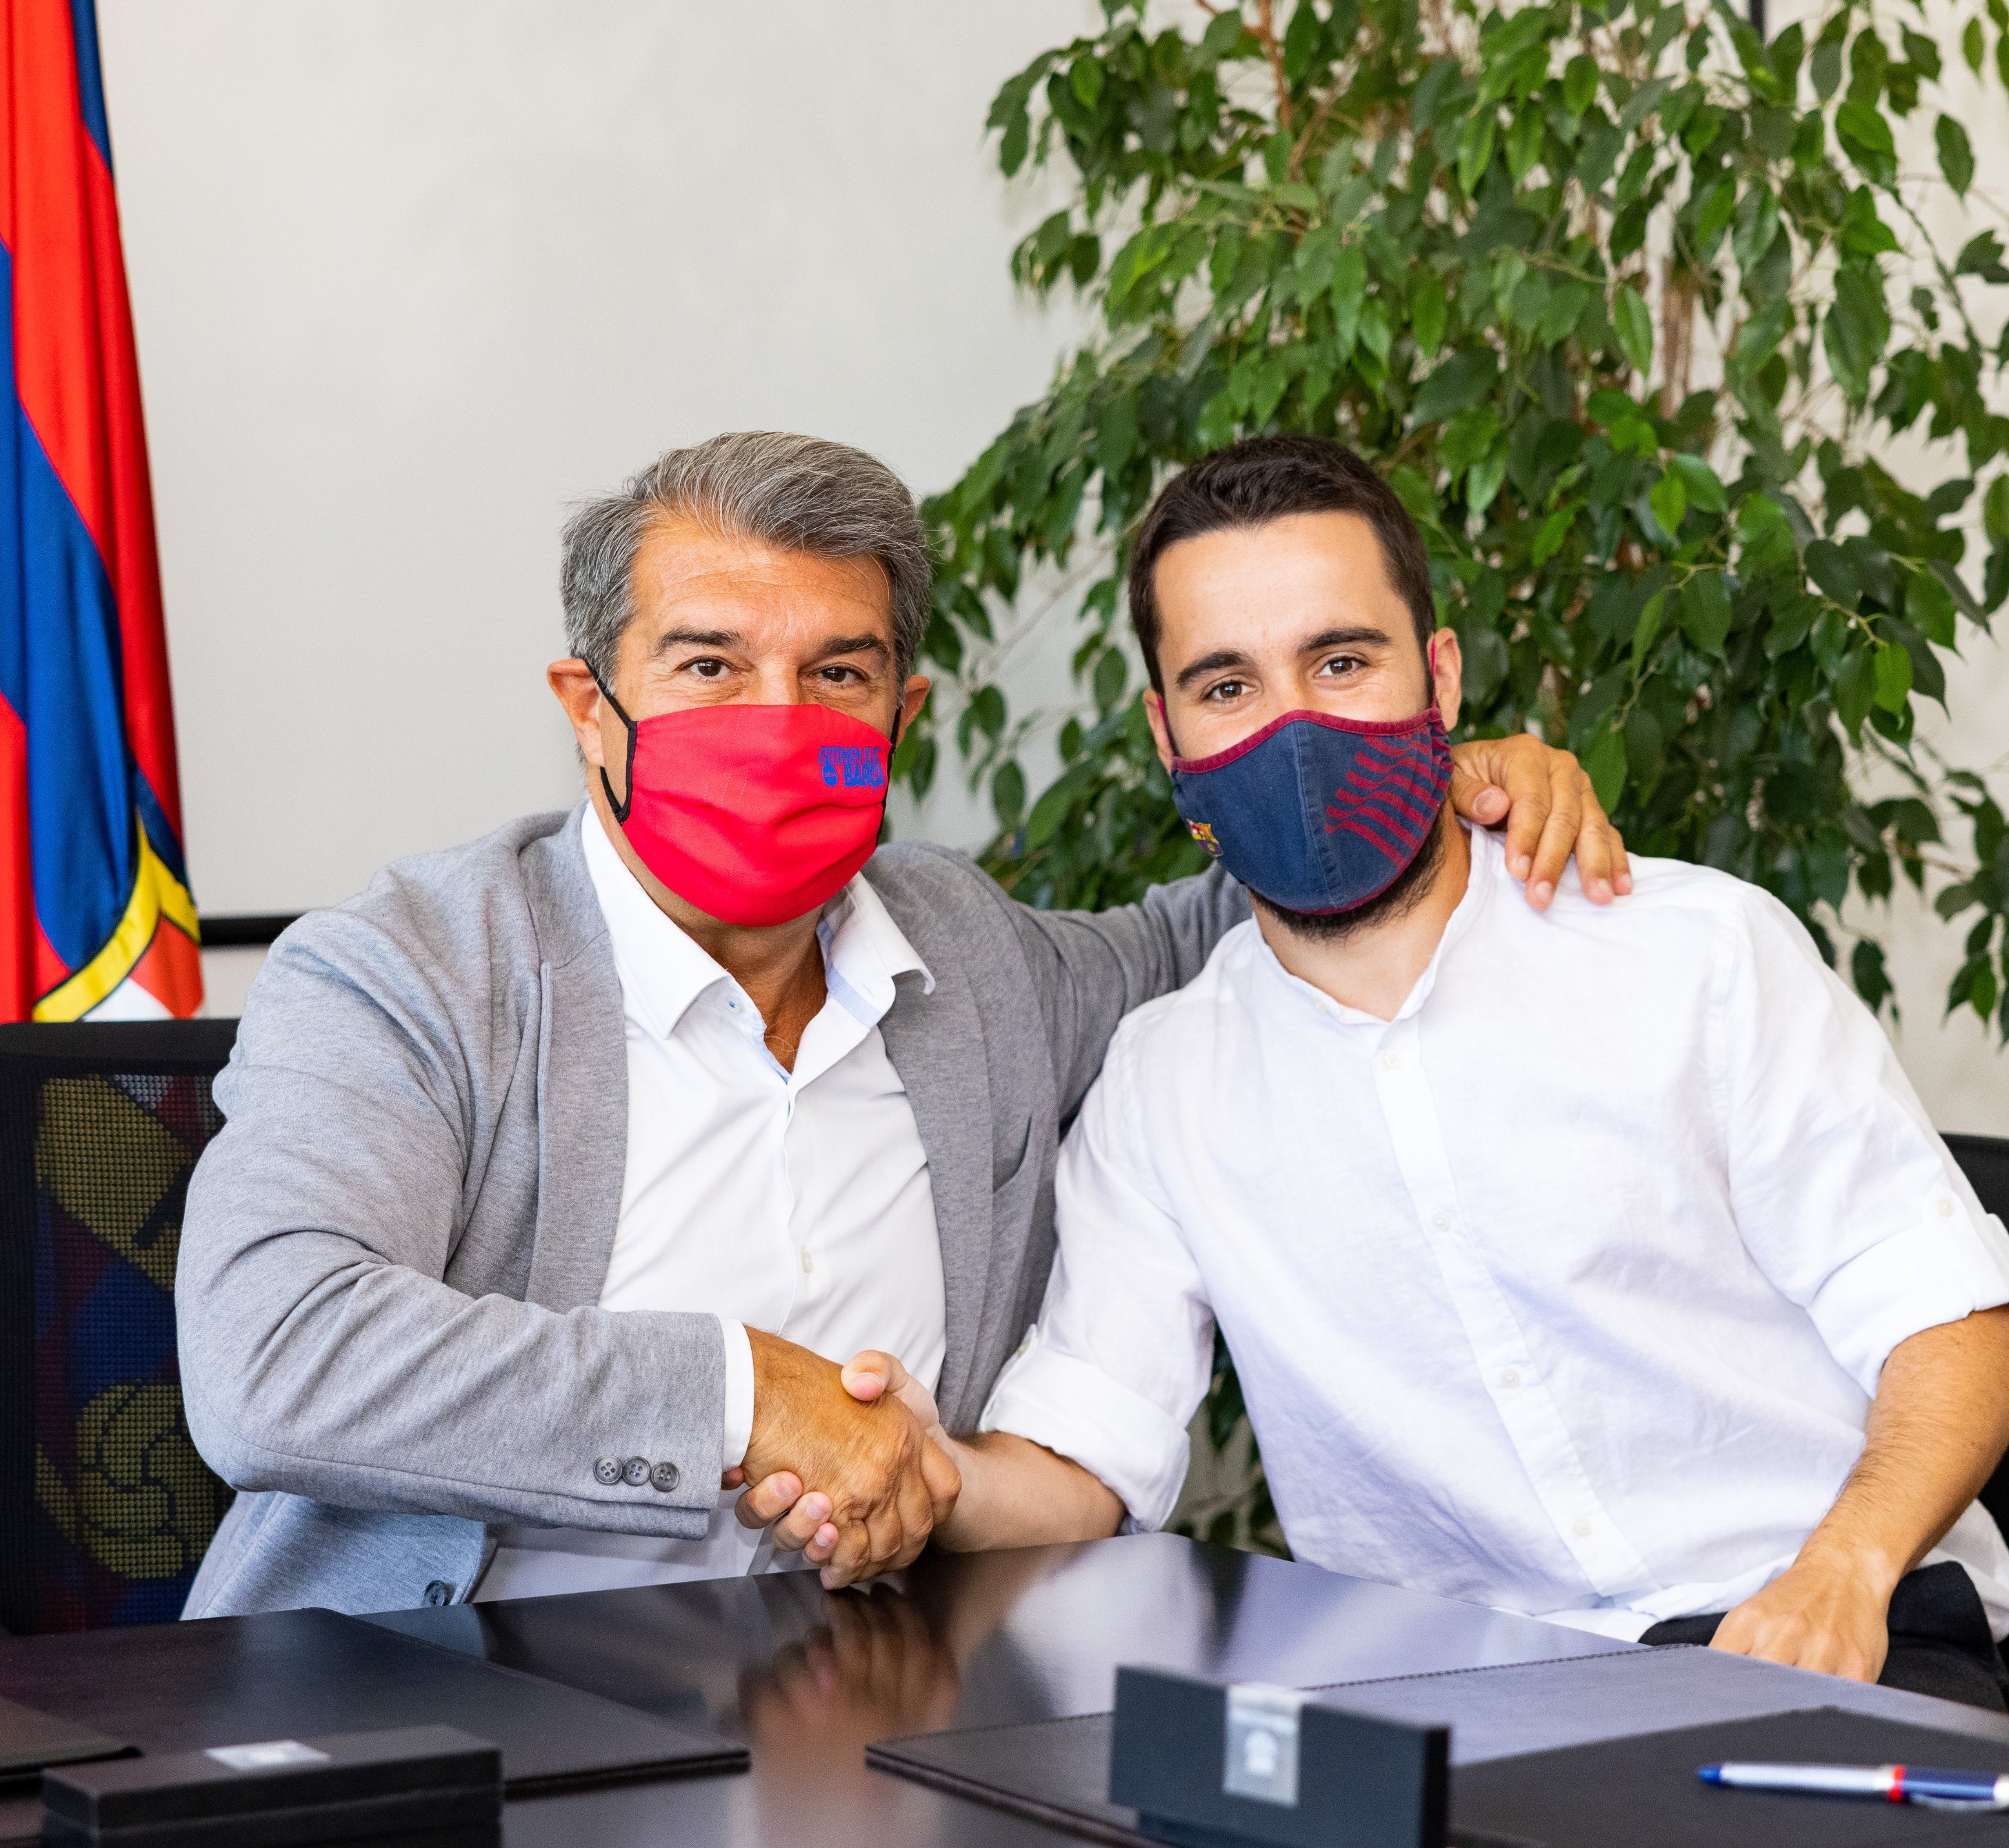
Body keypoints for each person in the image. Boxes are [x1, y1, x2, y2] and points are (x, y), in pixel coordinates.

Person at [173, 431, 1628, 1618]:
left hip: (863, 1717)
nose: (775, 714)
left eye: (838, 673)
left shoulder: (970, 959)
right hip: (430, 1719)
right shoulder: (413, 968)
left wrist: (1436, 779)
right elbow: (271, 1357)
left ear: (901, 713)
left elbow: (1238, 915)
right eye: (706, 665)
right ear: (588, 705)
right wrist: (746, 1397)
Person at [759, 434, 2009, 1709]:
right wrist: (920, 1471)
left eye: (1341, 661)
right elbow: (1085, 1456)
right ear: (1167, 734)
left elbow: (1961, 1327)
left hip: (1829, 1633)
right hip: (1461, 1703)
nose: (1294, 729)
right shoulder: (1165, 1079)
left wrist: (1845, 1572)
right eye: (1227, 686)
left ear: (1439, 675)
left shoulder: (1698, 954)